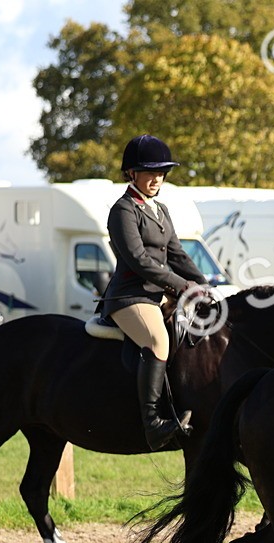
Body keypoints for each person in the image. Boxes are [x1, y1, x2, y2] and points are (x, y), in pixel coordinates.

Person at [103, 134, 209, 450]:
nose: (156, 178)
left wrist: (202, 284)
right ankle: (153, 424)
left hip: (158, 295)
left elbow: (176, 253)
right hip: (130, 296)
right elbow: (139, 261)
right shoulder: (124, 210)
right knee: (158, 339)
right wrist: (179, 285)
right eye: (150, 172)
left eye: (161, 172)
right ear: (131, 173)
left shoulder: (160, 209)